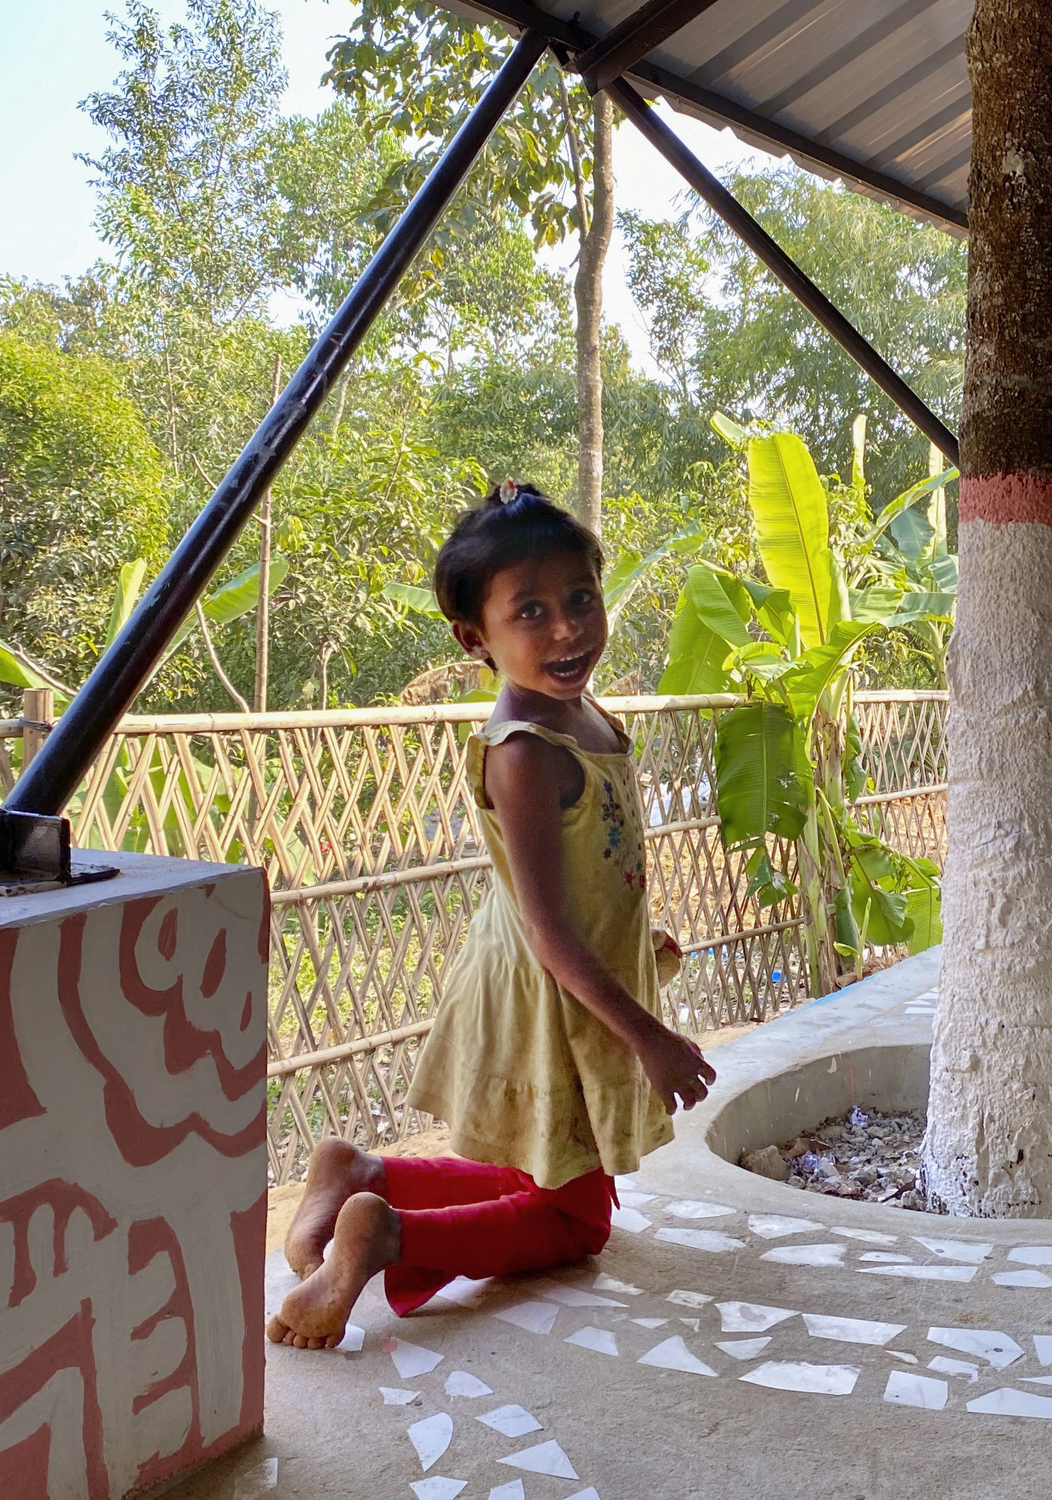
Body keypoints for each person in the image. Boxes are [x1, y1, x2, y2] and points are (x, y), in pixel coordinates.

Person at [267, 481, 716, 1348]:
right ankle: (389, 1235)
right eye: (532, 612)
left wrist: (635, 938)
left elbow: (586, 869)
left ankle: (366, 1173)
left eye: (581, 598)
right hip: (546, 990)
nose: (567, 628)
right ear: (476, 636)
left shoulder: (583, 712)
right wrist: (648, 1039)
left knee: (536, 1170)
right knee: (575, 1221)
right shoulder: (521, 751)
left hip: (567, 977)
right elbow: (548, 930)